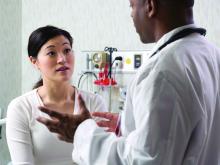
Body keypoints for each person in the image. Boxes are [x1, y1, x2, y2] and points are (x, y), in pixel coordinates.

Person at [37, 0, 220, 164]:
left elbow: (143, 161)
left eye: (131, 5)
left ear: (150, 6)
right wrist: (132, 125)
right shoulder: (211, 54)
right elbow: (184, 131)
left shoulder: (162, 73)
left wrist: (82, 132)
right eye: (51, 53)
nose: (131, 14)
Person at [6, 25, 107, 165]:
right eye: (52, 53)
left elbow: (102, 158)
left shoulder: (94, 102)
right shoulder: (21, 107)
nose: (62, 59)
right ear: (34, 61)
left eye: (67, 50)